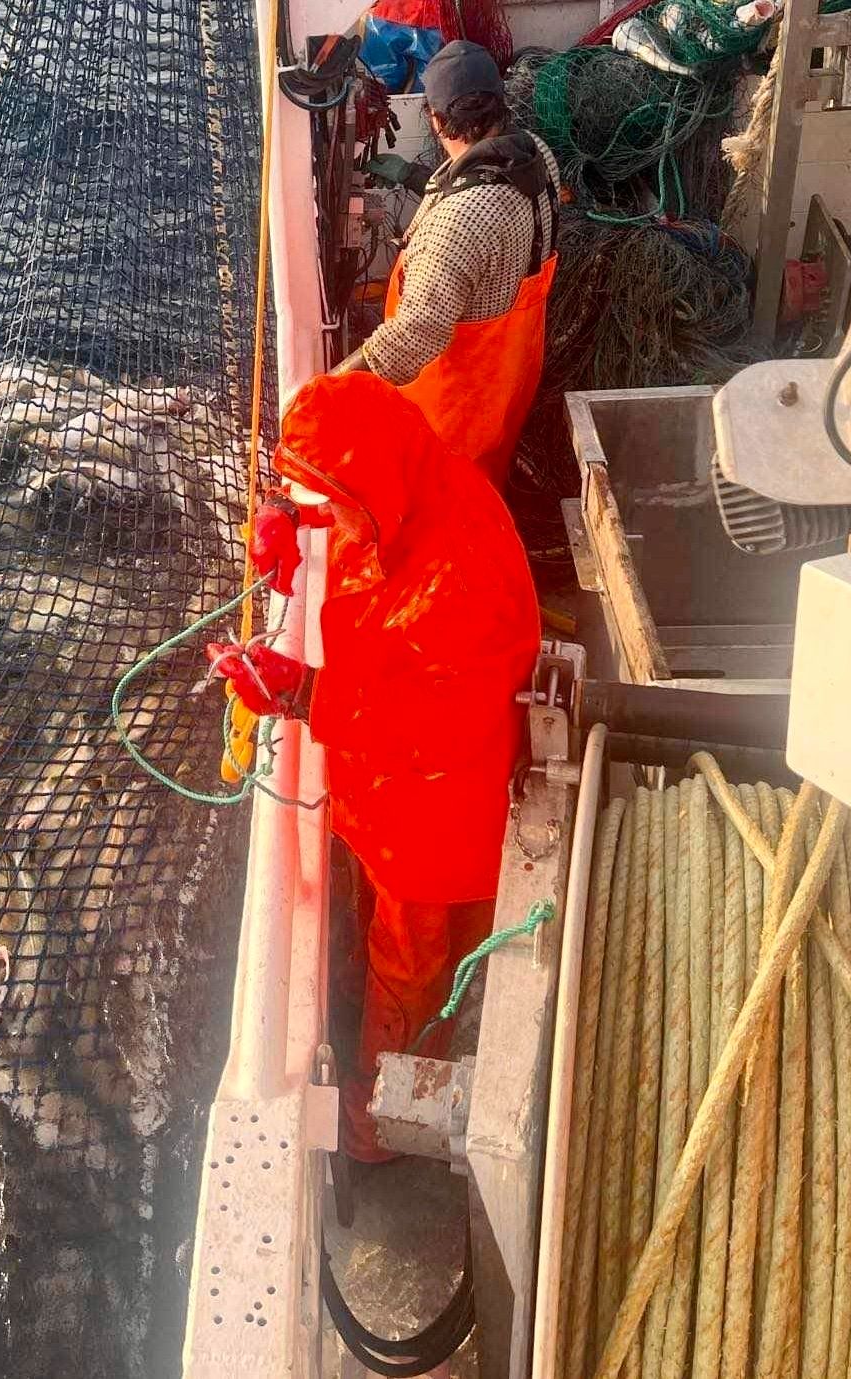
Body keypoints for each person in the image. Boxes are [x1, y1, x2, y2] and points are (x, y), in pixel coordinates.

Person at [209, 376, 541, 1162]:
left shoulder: (460, 585)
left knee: (412, 973)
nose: (336, 512)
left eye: (331, 496)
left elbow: (435, 725)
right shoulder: (418, 484)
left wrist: (300, 692)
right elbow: (364, 496)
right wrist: (291, 517)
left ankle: (379, 1124)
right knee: (381, 948)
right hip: (383, 802)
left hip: (433, 828)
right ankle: (374, 1047)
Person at [335, 39, 561, 490]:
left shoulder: (456, 226)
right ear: (498, 103)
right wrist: (414, 176)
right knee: (484, 481)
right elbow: (477, 195)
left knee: (443, 500)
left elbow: (414, 336)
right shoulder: (536, 155)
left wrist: (337, 380)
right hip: (510, 376)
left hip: (457, 403)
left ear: (436, 120)